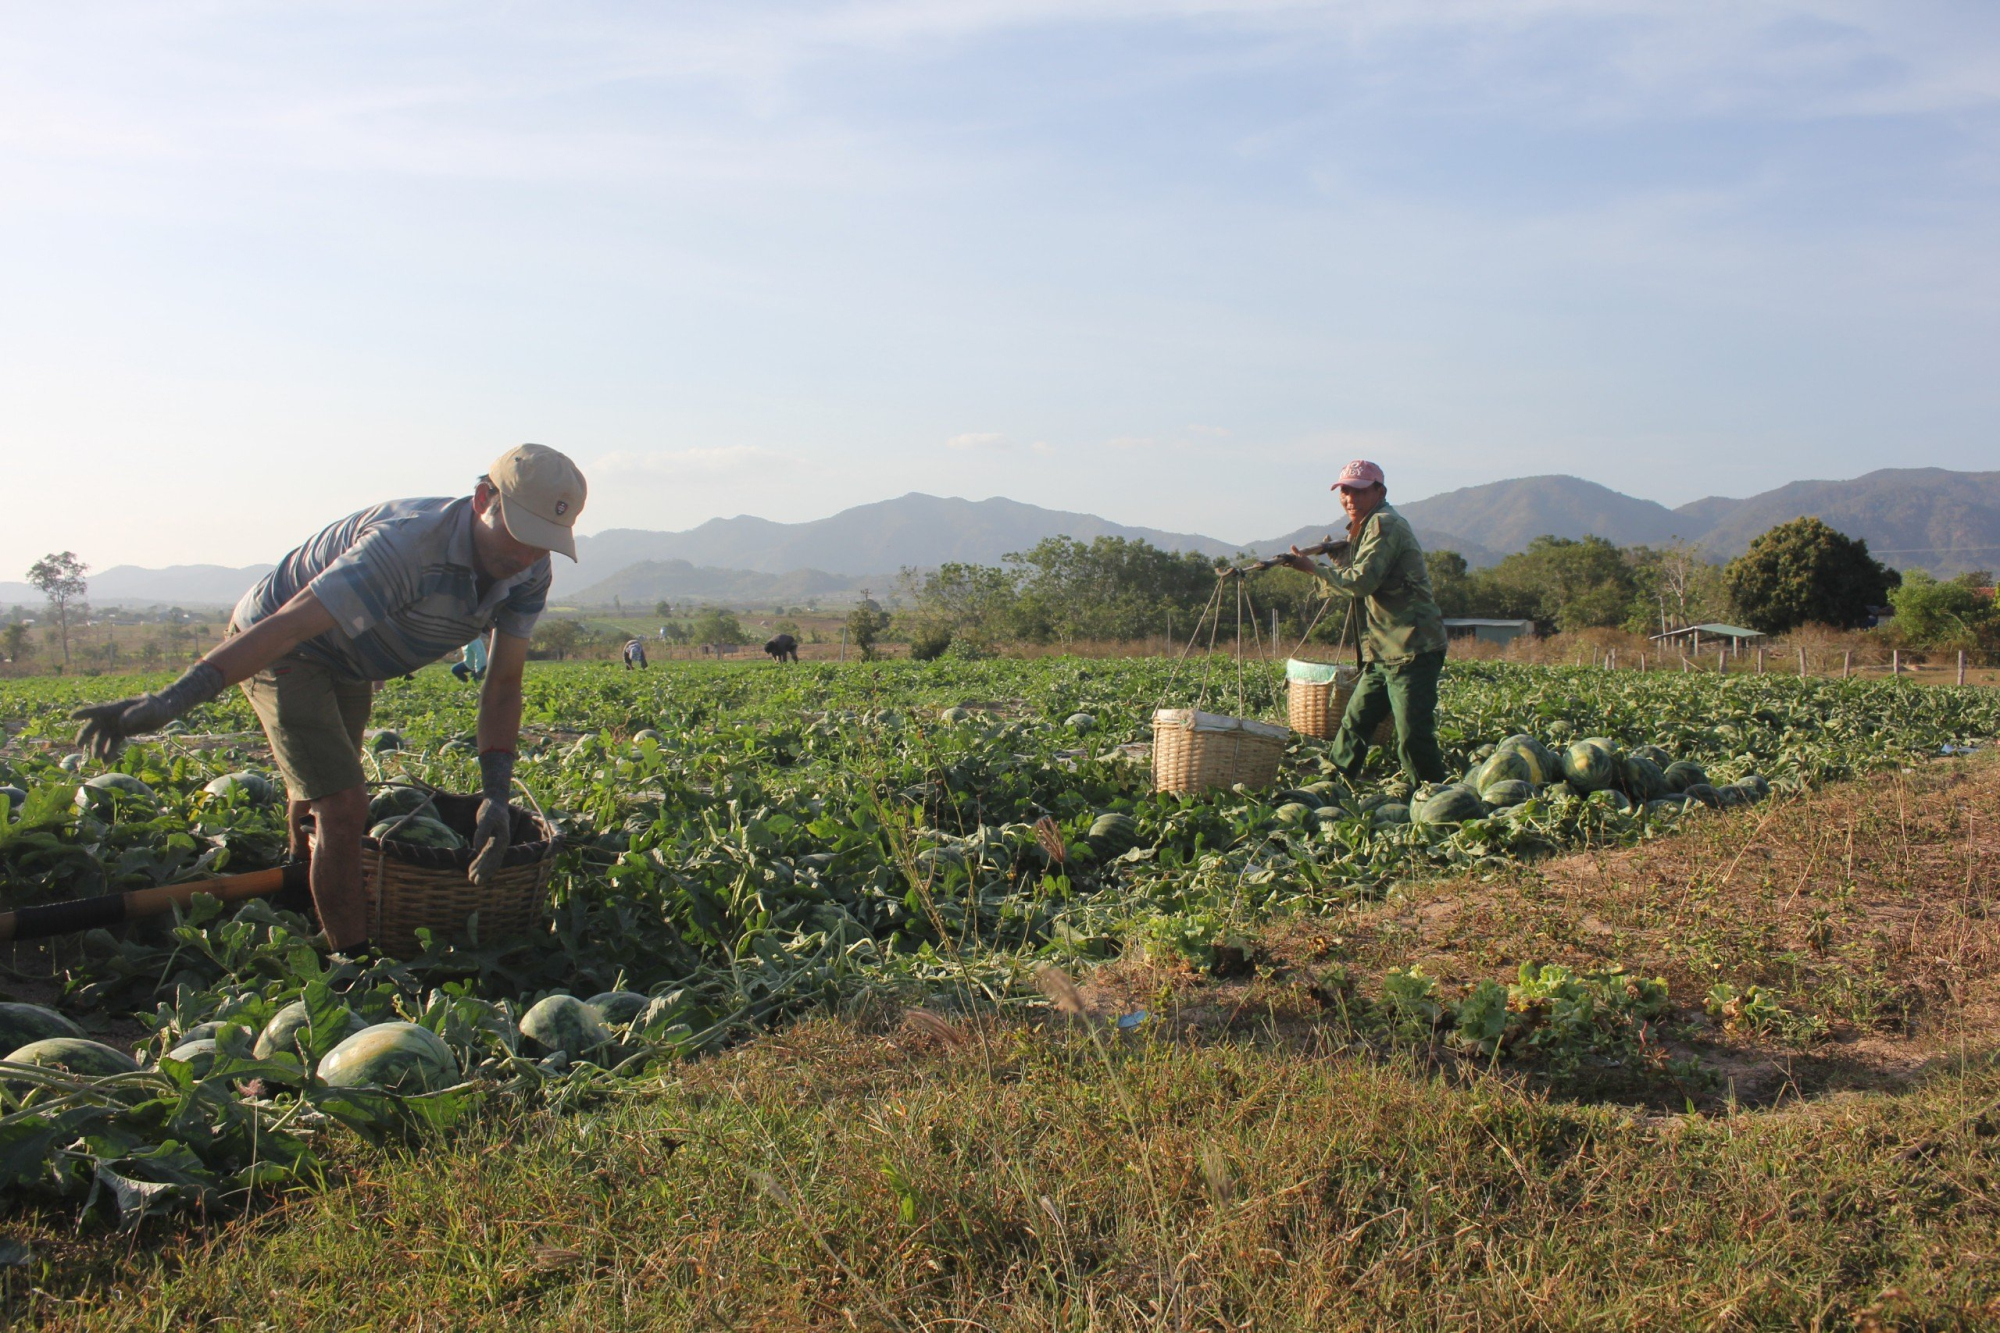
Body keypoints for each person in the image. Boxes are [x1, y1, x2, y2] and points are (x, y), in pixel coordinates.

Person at [73, 444, 588, 954]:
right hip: (288, 645)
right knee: (343, 804)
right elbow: (289, 624)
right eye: (520, 535)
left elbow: (502, 683)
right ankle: (353, 962)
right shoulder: (408, 547)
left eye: (543, 543)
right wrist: (173, 699)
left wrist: (496, 793)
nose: (525, 555)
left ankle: (298, 885)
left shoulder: (529, 571)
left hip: (353, 658)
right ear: (482, 499)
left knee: (323, 780)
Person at [1275, 459, 1447, 783]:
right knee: (1355, 723)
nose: (1349, 499)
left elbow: (1363, 582)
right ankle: (1334, 784)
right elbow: (1366, 574)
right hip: (1383, 652)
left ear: (1379, 491)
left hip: (1412, 647)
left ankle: (1433, 796)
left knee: (1413, 736)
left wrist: (1312, 569)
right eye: (1344, 492)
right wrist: (1340, 561)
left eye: (1358, 491)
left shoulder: (1385, 524)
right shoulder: (1365, 527)